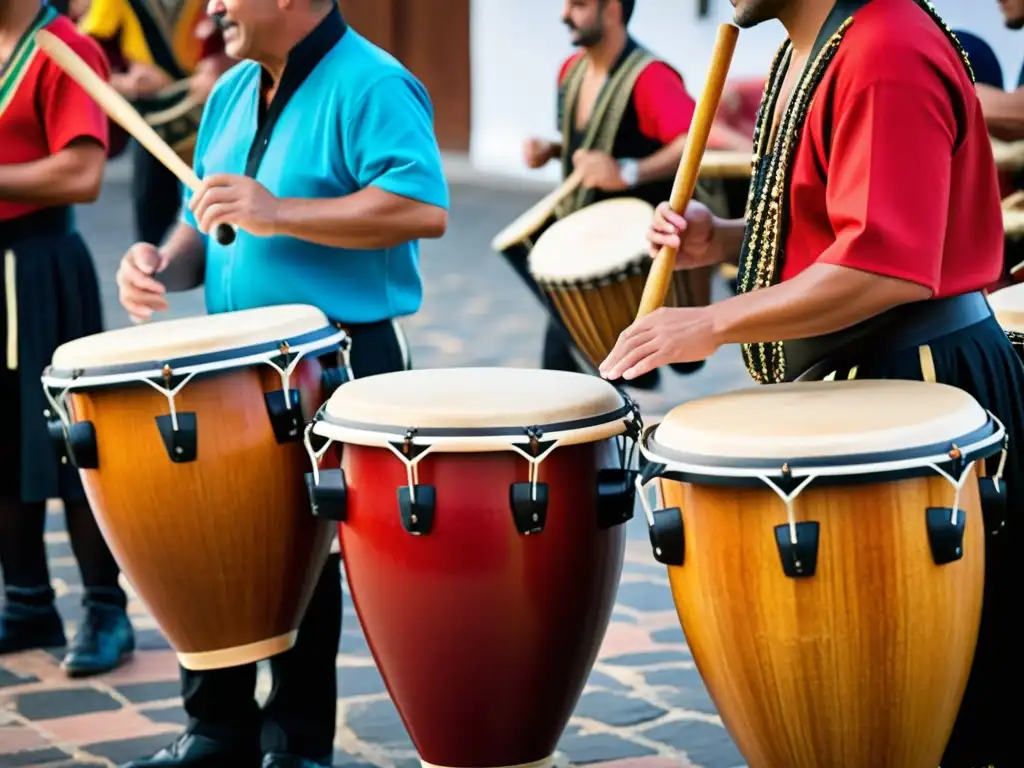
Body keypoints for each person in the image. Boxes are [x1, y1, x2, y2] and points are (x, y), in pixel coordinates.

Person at [601, 1, 1020, 766]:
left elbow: (884, 264)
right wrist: (722, 240)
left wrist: (711, 324)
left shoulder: (885, 46)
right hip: (870, 383)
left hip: (921, 382)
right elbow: (836, 222)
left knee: (944, 710)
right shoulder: (810, 47)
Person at [113, 0, 448, 765]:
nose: (216, 5)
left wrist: (285, 212)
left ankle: (297, 744)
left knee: (309, 551)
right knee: (221, 534)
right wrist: (162, 261)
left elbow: (423, 209)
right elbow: (209, 222)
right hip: (234, 364)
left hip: (338, 356)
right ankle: (216, 730)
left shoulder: (374, 83)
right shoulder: (231, 91)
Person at [0, 0, 135, 677]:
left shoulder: (65, 49)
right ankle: (25, 600)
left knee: (69, 442)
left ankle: (105, 607)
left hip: (41, 267)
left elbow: (81, 174)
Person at [521, 0, 721, 388]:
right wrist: (553, 149)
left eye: (577, 4)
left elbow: (696, 140)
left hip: (630, 253)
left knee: (575, 372)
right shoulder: (570, 71)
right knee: (568, 369)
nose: (564, 14)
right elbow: (597, 144)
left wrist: (630, 172)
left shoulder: (651, 78)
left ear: (611, 8)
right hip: (581, 243)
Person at [77, 0, 233, 244]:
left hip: (215, 120)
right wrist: (127, 82)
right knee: (152, 226)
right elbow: (86, 60)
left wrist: (224, 64)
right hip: (152, 127)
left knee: (217, 219)